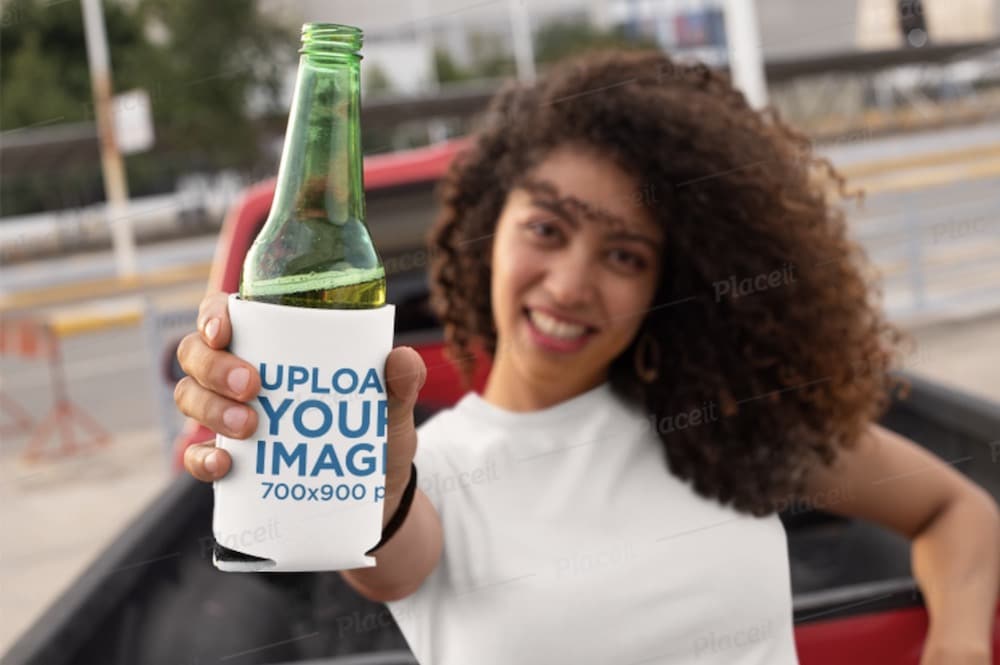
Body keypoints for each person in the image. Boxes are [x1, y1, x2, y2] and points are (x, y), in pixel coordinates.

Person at [175, 50, 1000, 665]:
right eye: (547, 228)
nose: (571, 283)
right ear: (489, 227)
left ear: (668, 283)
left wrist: (958, 646)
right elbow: (388, 547)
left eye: (625, 255)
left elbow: (956, 513)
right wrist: (317, 442)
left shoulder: (723, 420)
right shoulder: (437, 469)